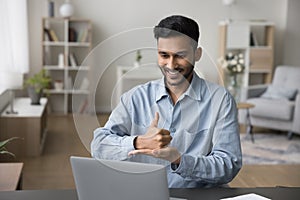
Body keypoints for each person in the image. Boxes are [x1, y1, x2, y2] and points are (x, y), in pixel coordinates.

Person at [91, 15, 242, 188]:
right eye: (164, 55)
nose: (171, 64)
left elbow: (229, 164)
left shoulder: (221, 100)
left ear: (197, 54)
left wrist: (179, 160)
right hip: (145, 193)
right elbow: (99, 146)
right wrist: (139, 142)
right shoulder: (135, 97)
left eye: (180, 55)